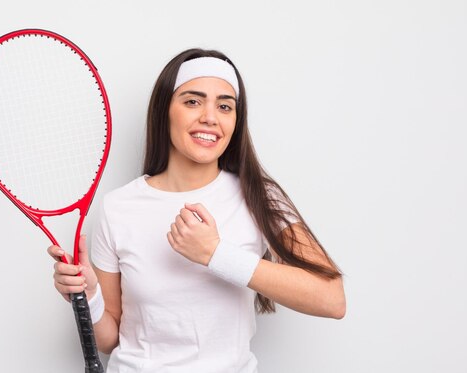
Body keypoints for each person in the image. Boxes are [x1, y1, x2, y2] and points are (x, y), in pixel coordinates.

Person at [47, 48, 346, 372]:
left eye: (225, 106)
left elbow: (331, 299)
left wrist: (215, 254)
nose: (210, 117)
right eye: (192, 101)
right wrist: (89, 296)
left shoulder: (259, 196)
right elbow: (111, 339)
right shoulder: (118, 207)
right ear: (165, 111)